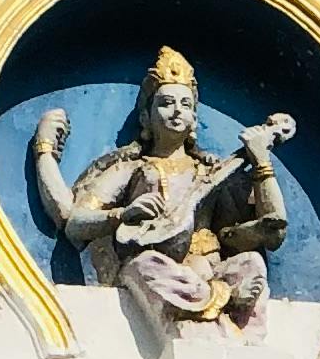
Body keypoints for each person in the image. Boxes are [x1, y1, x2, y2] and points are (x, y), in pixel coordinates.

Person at [31, 47, 294, 333]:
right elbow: (75, 223)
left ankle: (214, 301)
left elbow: (272, 232)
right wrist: (122, 215)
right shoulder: (131, 168)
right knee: (146, 266)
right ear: (146, 117)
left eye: (185, 104)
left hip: (207, 266)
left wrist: (261, 160)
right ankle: (221, 299)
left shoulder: (212, 173)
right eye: (166, 103)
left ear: (194, 118)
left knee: (252, 264)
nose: (177, 111)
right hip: (157, 269)